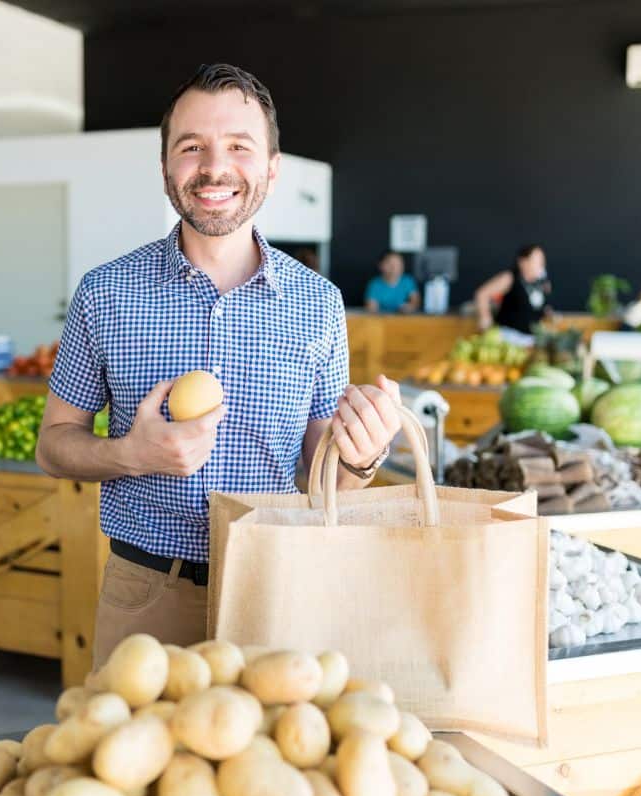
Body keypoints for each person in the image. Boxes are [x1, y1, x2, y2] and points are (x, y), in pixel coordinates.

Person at [35, 64, 403, 666]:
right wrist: (132, 453)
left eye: (238, 146)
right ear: (165, 168)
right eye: (191, 147)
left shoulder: (319, 304)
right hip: (147, 589)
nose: (214, 167)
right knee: (129, 759)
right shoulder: (105, 292)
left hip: (278, 589)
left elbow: (322, 478)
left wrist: (360, 458)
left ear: (271, 168)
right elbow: (53, 446)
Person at [474, 244, 552, 334]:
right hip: (509, 335)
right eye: (536, 261)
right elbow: (482, 294)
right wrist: (485, 316)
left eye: (542, 261)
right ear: (522, 262)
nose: (540, 265)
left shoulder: (541, 283)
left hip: (531, 337)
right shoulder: (510, 278)